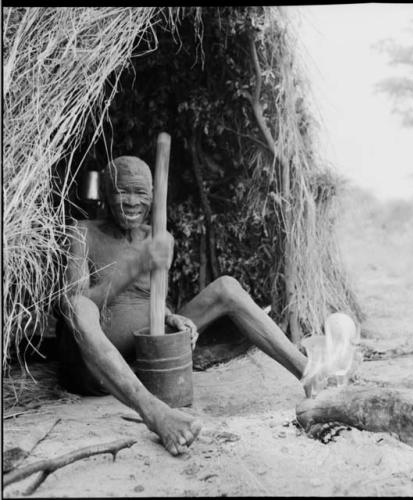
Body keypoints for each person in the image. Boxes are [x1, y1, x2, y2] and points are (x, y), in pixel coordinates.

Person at [58, 155, 308, 456]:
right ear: (107, 192)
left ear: (153, 195)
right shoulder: (82, 233)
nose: (133, 201)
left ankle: (308, 373)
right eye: (123, 190)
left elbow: (153, 301)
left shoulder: (160, 238)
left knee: (227, 287)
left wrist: (171, 317)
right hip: (95, 371)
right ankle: (155, 413)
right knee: (78, 306)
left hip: (148, 360)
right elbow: (71, 307)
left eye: (141, 192)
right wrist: (132, 268)